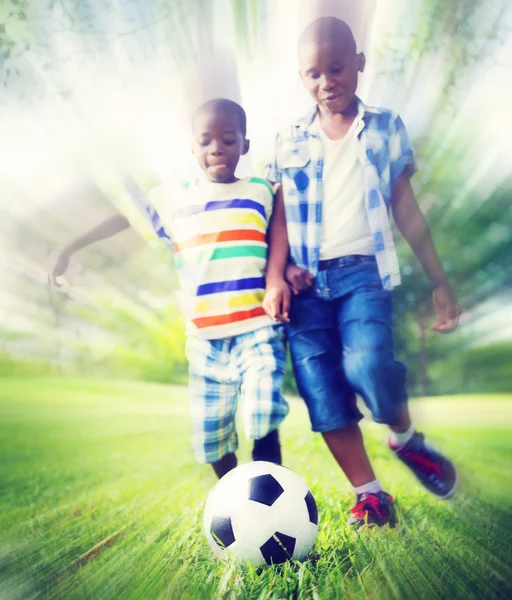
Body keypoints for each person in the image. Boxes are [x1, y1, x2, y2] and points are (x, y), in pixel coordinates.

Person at [265, 17, 462, 528]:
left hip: (364, 274)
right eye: (313, 73)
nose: (326, 81)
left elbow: (406, 207)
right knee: (321, 390)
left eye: (336, 68)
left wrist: (439, 279)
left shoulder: (384, 127)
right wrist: (277, 276)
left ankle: (403, 437)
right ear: (300, 77)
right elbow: (280, 215)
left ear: (358, 65)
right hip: (306, 285)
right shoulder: (287, 139)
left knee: (369, 367)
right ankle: (370, 495)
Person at [50, 98, 292, 479]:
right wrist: (70, 248)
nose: (217, 148)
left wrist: (286, 274)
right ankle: (233, 497)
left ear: (245, 144)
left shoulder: (262, 190)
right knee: (212, 438)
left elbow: (283, 233)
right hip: (204, 340)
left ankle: (269, 484)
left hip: (256, 329)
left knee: (262, 411)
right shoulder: (175, 199)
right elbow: (123, 219)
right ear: (193, 148)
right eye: (207, 140)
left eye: (228, 140)